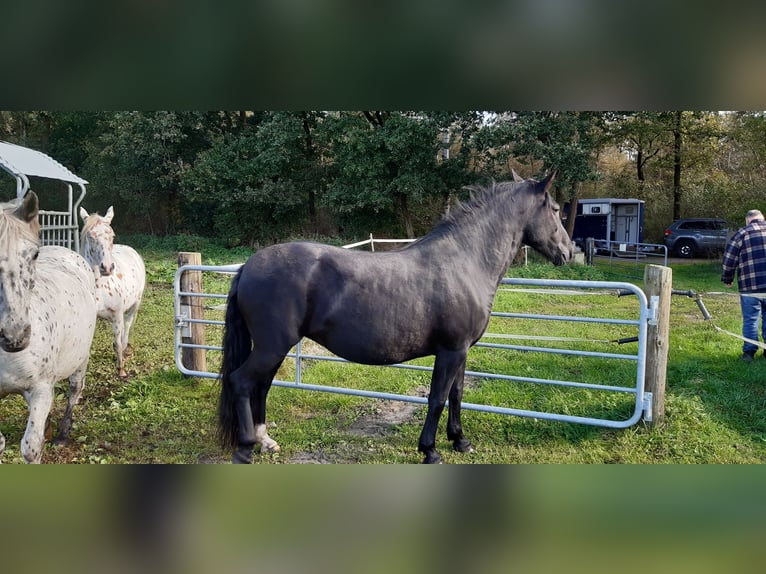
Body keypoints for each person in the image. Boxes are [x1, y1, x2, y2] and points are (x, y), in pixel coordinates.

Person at [721, 209, 766, 362]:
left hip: (750, 286)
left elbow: (729, 258)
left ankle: (749, 353)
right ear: (762, 218)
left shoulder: (742, 233)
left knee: (751, 320)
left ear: (748, 220)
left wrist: (727, 278)